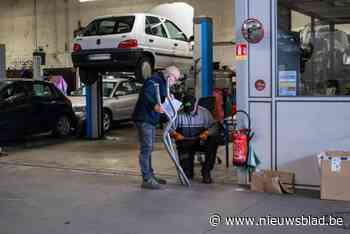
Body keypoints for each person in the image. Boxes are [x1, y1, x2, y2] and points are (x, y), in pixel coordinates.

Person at [132, 66, 181, 189]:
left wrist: (170, 99)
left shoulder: (162, 83)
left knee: (149, 148)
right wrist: (155, 105)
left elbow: (162, 97)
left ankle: (150, 175)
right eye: (175, 79)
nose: (175, 82)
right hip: (144, 119)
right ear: (169, 76)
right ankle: (147, 179)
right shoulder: (153, 81)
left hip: (150, 120)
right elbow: (146, 95)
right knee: (146, 148)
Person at [171, 95, 219, 184]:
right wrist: (175, 134)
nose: (189, 111)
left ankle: (206, 171)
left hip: (200, 141)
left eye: (191, 109)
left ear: (195, 104)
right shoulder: (178, 113)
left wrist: (206, 133)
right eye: (187, 109)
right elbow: (169, 128)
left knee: (213, 140)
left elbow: (215, 127)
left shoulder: (204, 113)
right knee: (187, 174)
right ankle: (188, 170)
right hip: (185, 142)